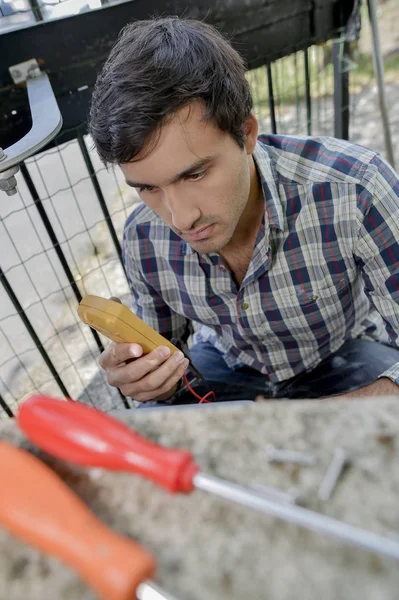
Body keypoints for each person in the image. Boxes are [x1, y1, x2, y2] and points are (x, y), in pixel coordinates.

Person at [89, 17, 399, 405]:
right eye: (149, 188)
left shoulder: (355, 188)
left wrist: (298, 421)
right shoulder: (143, 236)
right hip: (227, 360)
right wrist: (149, 378)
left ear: (246, 132)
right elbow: (163, 351)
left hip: (341, 353)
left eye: (196, 174)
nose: (180, 218)